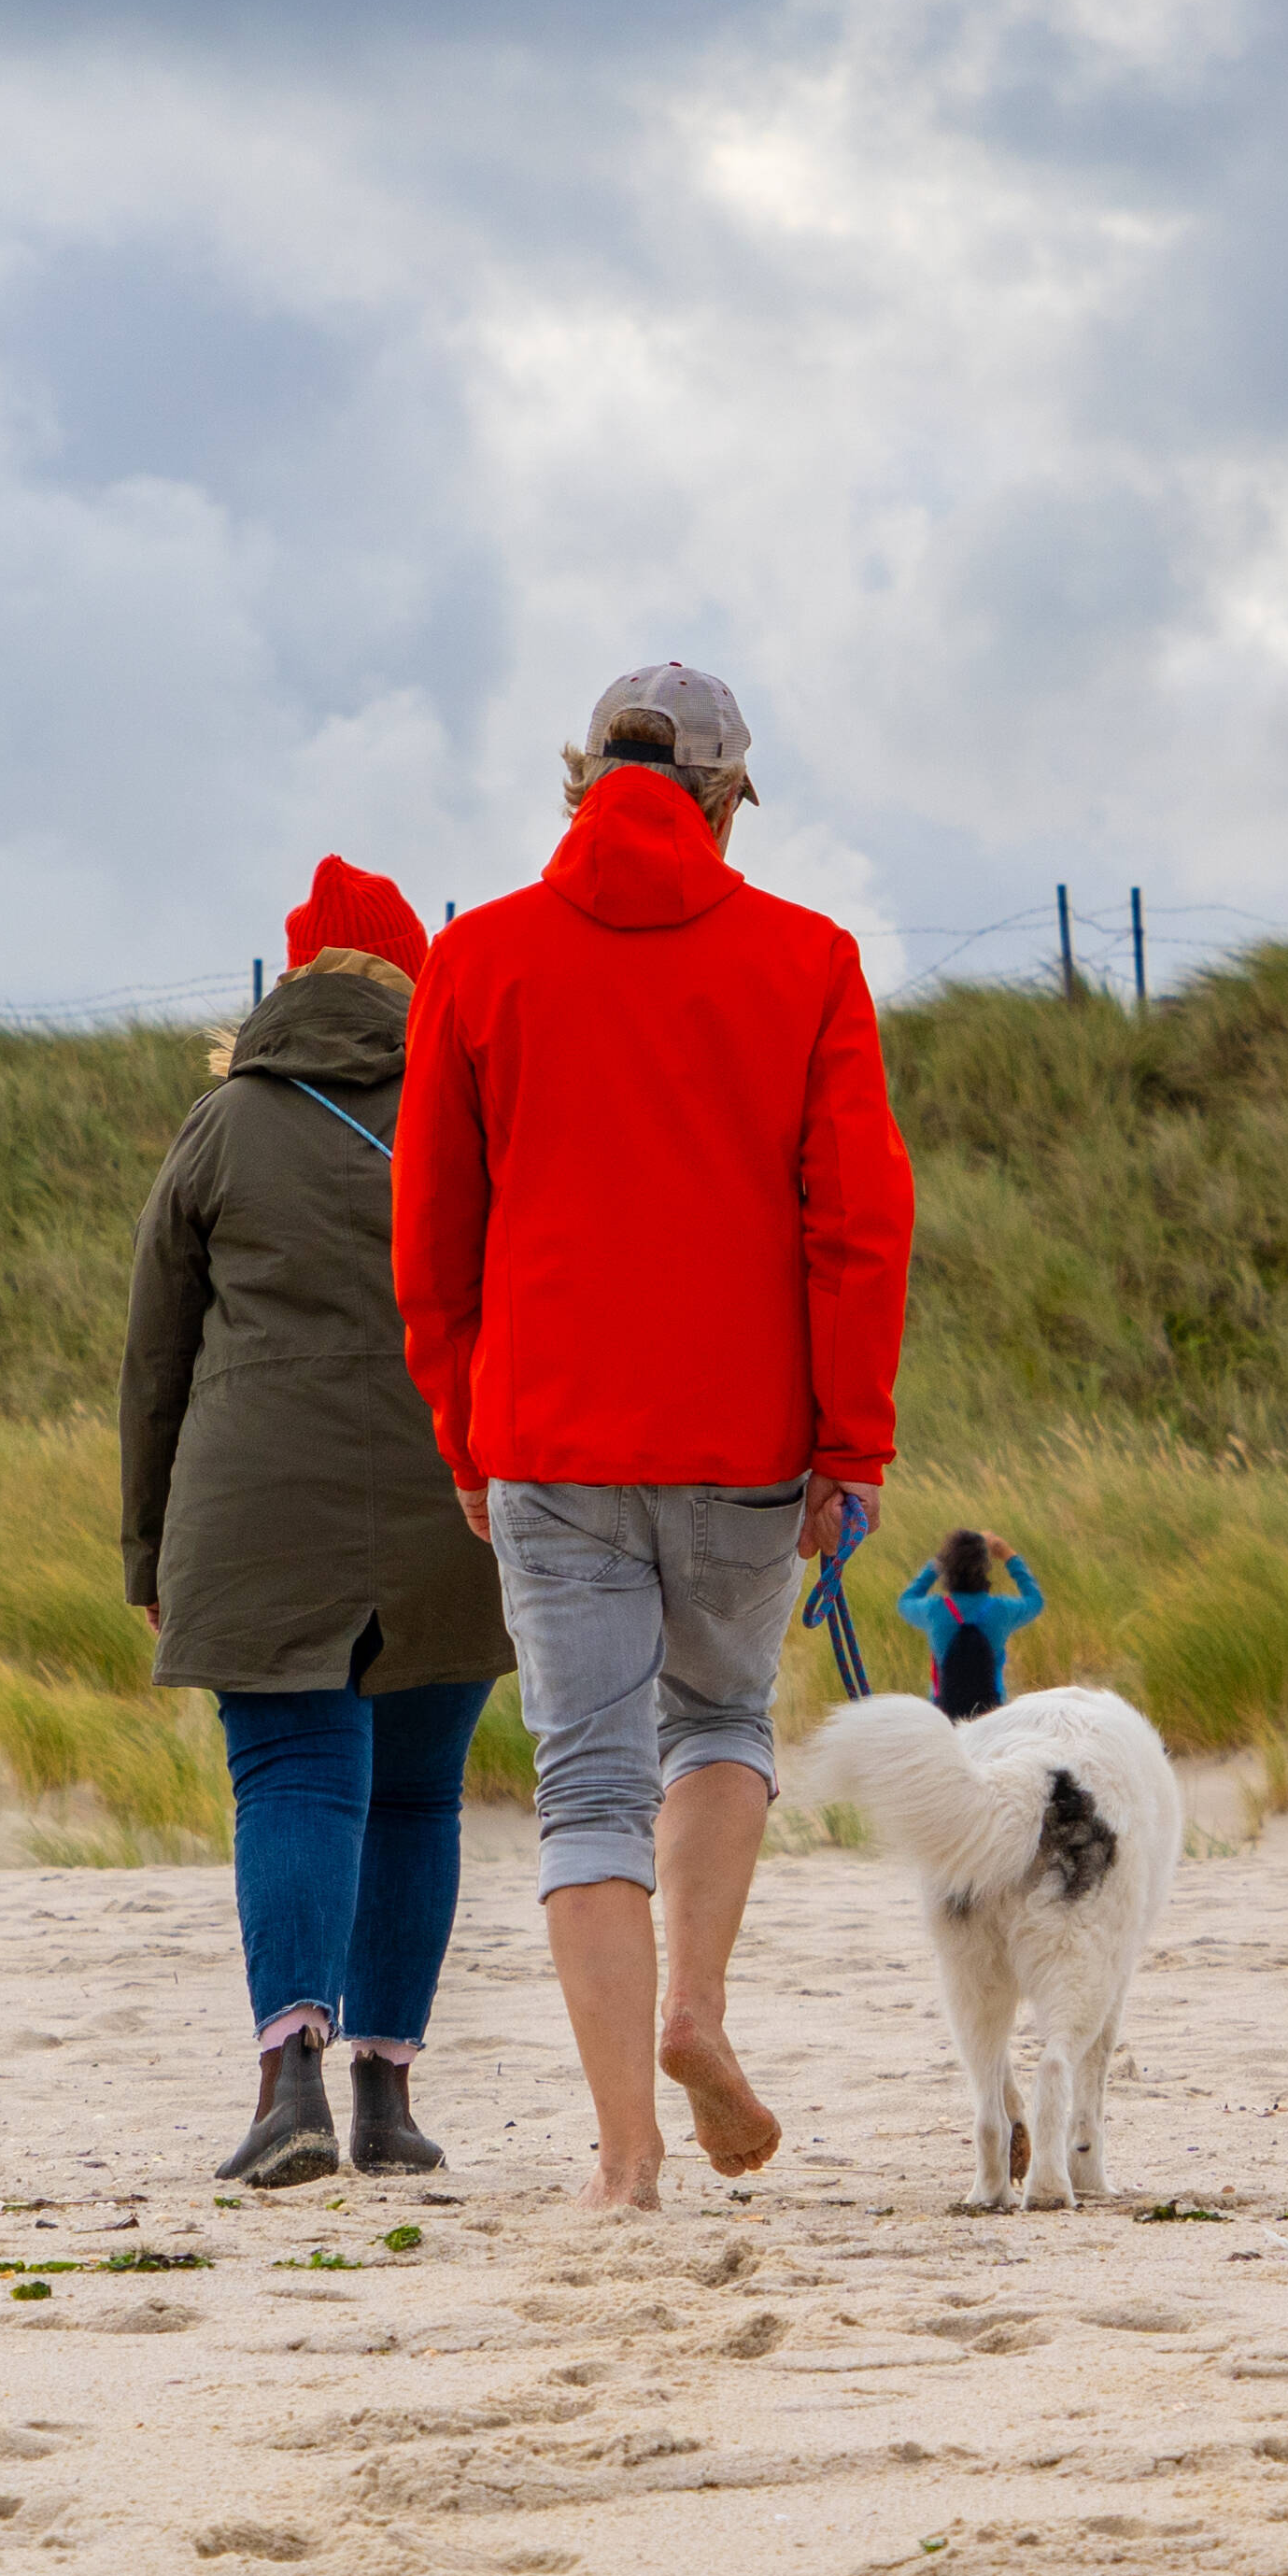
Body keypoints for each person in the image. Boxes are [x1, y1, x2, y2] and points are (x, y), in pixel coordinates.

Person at [396, 664, 914, 2211]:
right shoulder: (809, 960)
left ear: (582, 780)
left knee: (585, 1789)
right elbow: (859, 1225)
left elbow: (430, 1237)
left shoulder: (476, 961)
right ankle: (698, 2004)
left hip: (548, 1435)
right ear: (723, 797)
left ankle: (625, 2158)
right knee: (723, 1726)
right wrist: (852, 1443)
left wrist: (462, 1434)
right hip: (747, 1436)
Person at [121, 855, 516, 2189]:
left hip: (255, 1508)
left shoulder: (223, 1123)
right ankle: (388, 2103)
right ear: (422, 975)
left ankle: (287, 2078)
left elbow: (156, 1358)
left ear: (292, 978)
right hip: (449, 1498)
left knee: (292, 1776)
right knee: (414, 1797)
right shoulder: (475, 1108)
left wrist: (146, 1549)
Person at [896, 1528, 1044, 1721]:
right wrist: (1009, 1555)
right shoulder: (1001, 1610)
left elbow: (905, 1601)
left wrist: (940, 1561)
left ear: (947, 1567)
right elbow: (1035, 1600)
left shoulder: (934, 1610)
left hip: (942, 1713)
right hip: (991, 1712)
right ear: (985, 1568)